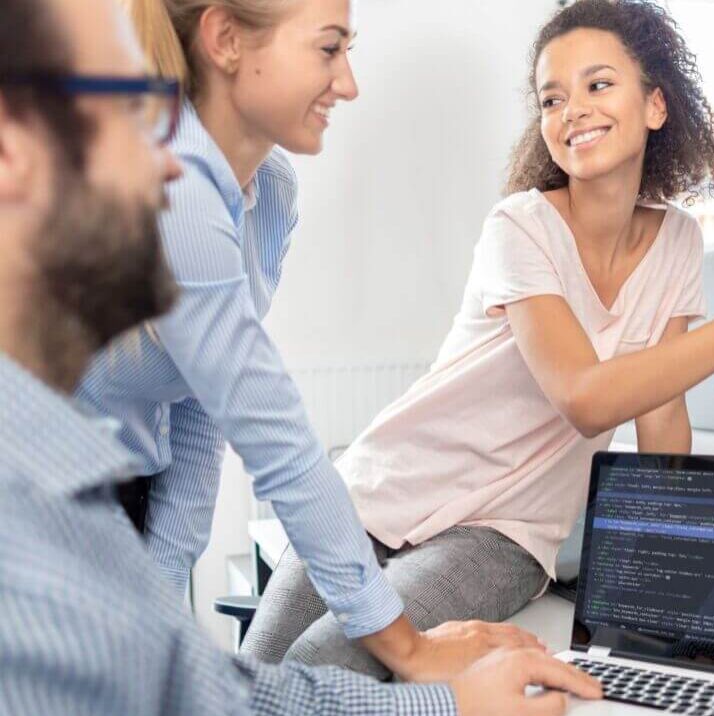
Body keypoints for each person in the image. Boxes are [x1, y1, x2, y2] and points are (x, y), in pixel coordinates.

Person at [243, 0, 714, 678]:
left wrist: (679, 571)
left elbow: (660, 409)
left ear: (656, 105)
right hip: (378, 488)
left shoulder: (678, 240)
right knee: (251, 676)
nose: (572, 109)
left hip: (503, 534)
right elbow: (585, 398)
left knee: (322, 663)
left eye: (598, 85)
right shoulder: (521, 227)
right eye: (551, 97)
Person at [0, 0, 602, 713]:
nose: (348, 83)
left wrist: (156, 613)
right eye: (327, 49)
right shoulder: (185, 193)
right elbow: (277, 440)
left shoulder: (269, 193)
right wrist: (425, 672)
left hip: (115, 502)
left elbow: (201, 418)